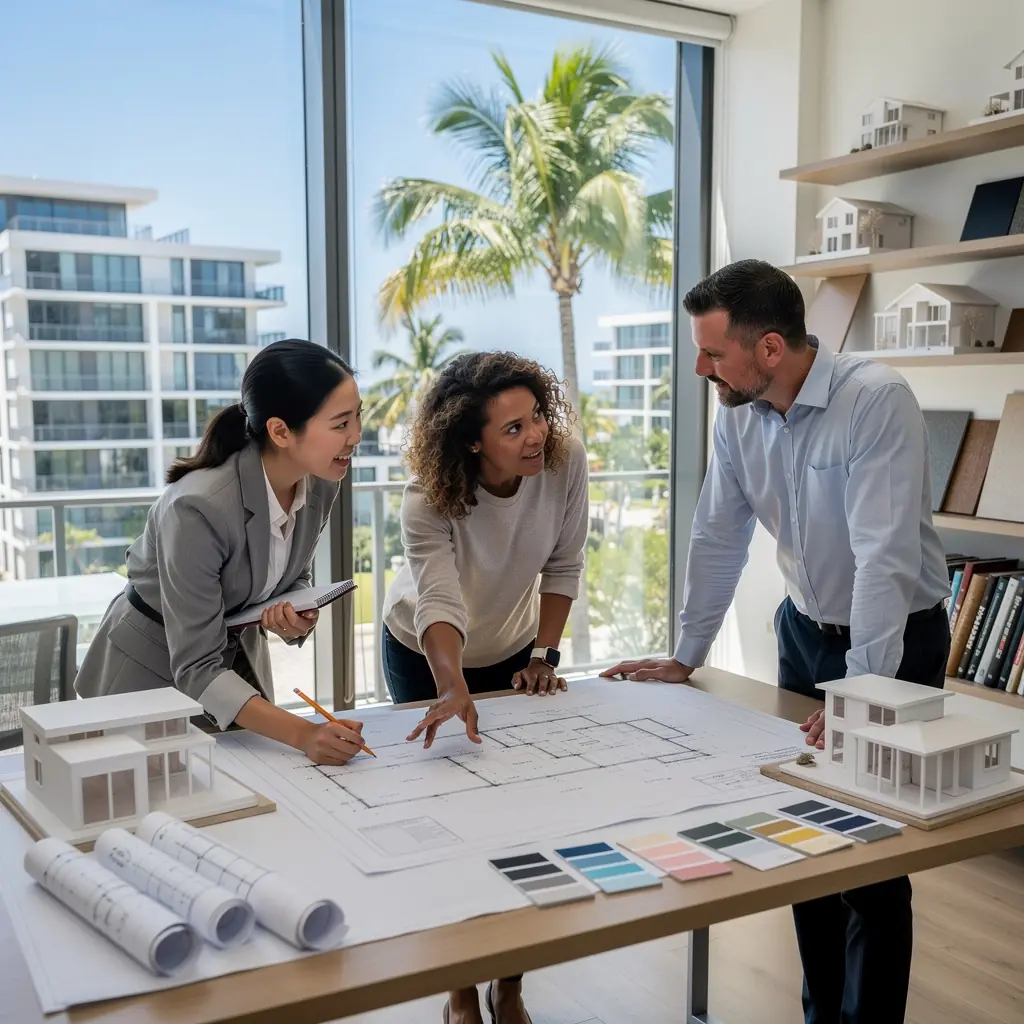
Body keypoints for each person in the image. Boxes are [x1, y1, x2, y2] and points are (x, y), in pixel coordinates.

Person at [603, 259, 951, 1024]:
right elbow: (718, 535)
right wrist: (686, 654)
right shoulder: (737, 415)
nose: (700, 369)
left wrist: (862, 692)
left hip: (897, 643)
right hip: (802, 634)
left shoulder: (874, 400)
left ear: (768, 349)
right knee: (803, 843)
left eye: (712, 353)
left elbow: (884, 561)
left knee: (872, 856)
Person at [381, 350, 589, 1024]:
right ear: (471, 440)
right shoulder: (427, 496)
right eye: (512, 430)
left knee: (520, 823)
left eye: (537, 418)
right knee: (451, 826)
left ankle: (511, 985)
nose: (534, 437)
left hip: (512, 649)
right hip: (425, 654)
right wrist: (452, 686)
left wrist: (545, 655)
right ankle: (460, 990)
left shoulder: (562, 463)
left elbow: (564, 563)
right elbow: (438, 602)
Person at [75, 339, 367, 767]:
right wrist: (305, 733)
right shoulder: (198, 507)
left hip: (234, 662)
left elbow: (292, 573)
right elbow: (196, 666)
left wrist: (293, 614)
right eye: (341, 423)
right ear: (281, 431)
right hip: (149, 674)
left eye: (358, 415)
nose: (356, 435)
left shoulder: (322, 478)